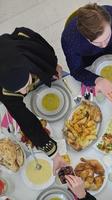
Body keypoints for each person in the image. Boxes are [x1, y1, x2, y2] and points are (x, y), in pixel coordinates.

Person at [0, 27, 66, 172]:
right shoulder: (5, 91)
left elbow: (48, 53)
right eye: (19, 90)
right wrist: (54, 155)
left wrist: (52, 66)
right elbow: (27, 121)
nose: (25, 92)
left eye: (25, 86)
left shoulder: (27, 40)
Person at [61, 3, 112, 103]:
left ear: (110, 22)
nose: (104, 45)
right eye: (97, 42)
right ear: (85, 37)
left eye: (107, 37)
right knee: (88, 100)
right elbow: (76, 71)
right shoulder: (69, 39)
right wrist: (97, 80)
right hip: (89, 61)